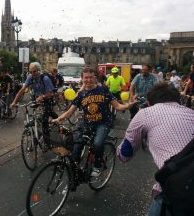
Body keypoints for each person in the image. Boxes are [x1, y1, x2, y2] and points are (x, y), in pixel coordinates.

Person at [117, 82, 194, 216]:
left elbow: (125, 153)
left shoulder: (145, 113)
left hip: (177, 186)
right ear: (178, 100)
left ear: (148, 103)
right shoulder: (191, 113)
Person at [52, 68, 134, 178]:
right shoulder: (81, 94)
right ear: (82, 79)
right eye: (86, 77)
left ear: (95, 78)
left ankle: (97, 165)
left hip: (103, 123)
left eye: (91, 77)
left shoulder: (103, 90)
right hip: (87, 124)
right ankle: (74, 174)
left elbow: (117, 106)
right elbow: (70, 111)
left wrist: (127, 106)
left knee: (98, 143)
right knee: (76, 147)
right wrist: (58, 119)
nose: (88, 80)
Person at [10, 62, 58, 151]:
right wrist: (14, 102)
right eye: (31, 72)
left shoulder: (45, 78)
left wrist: (43, 96)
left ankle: (47, 144)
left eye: (34, 71)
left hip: (47, 98)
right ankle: (36, 134)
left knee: (45, 121)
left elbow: (51, 93)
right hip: (36, 99)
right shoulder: (30, 77)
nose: (33, 73)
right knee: (37, 117)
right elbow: (22, 90)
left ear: (39, 70)